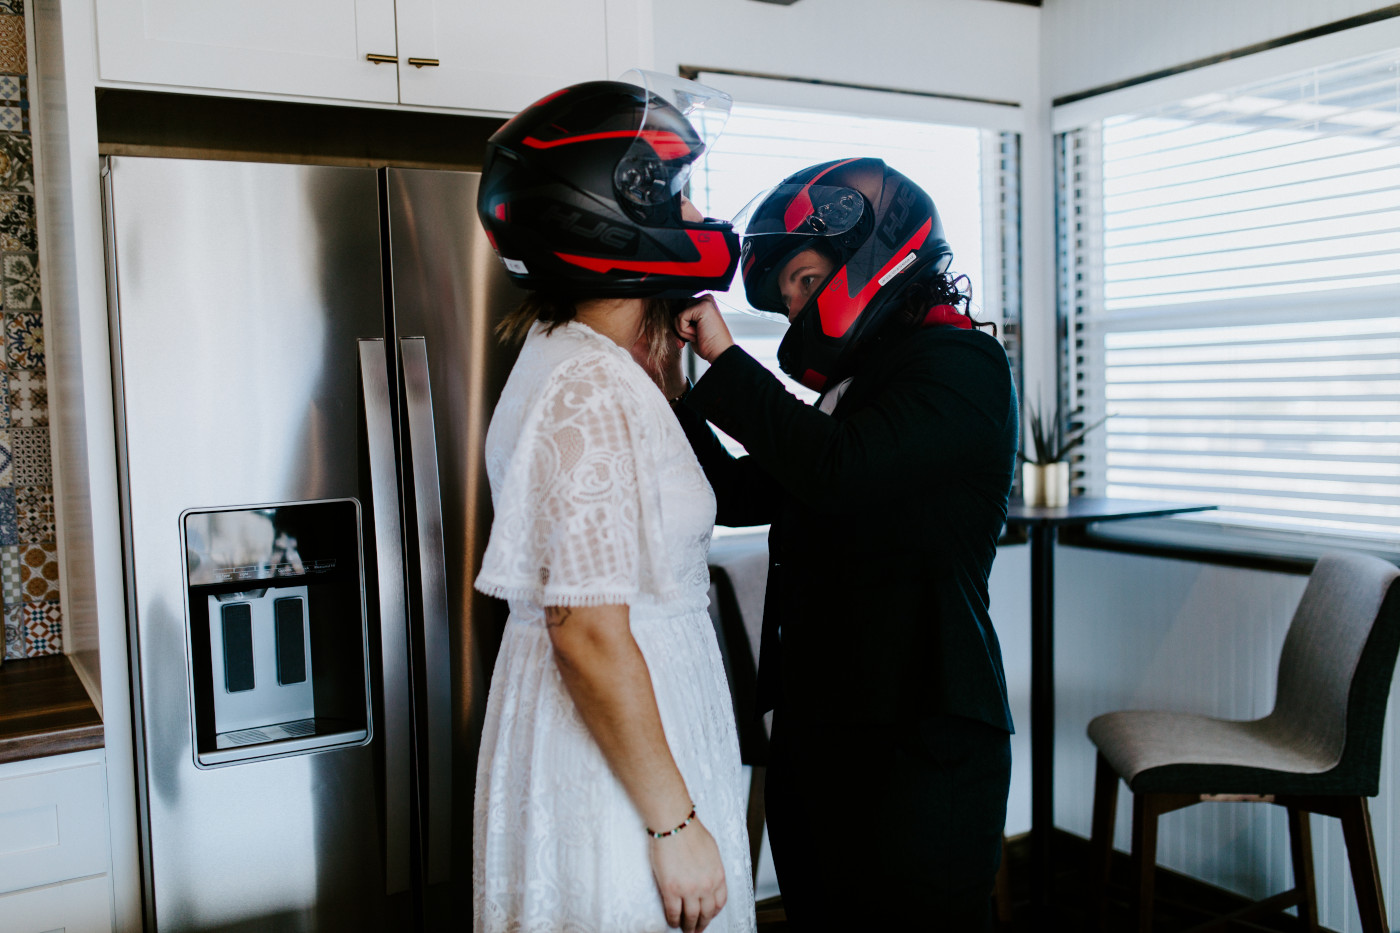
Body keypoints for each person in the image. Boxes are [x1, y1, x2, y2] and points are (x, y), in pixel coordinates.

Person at [663, 158, 1019, 930]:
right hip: (822, 736)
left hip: (921, 746)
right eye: (785, 290)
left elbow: (836, 469)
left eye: (803, 277)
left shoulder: (963, 368)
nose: (791, 304)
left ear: (873, 252)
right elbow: (742, 493)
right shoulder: (862, 383)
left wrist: (725, 358)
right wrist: (670, 387)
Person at [471, 77, 755, 933]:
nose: (693, 212)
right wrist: (674, 824)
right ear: (612, 209)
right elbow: (587, 632)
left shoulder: (580, 362)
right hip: (621, 771)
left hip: (631, 739)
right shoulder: (587, 388)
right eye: (675, 192)